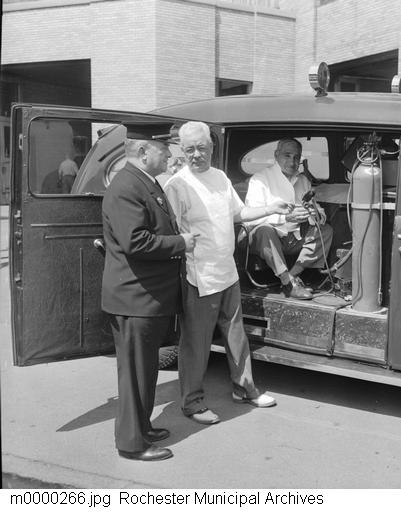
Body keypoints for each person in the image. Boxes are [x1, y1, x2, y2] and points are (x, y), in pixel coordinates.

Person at [164, 121, 289, 425]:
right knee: (196, 343)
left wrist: (271, 208)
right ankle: (192, 403)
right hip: (198, 275)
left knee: (236, 335)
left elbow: (238, 213)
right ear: (181, 150)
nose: (196, 154)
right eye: (189, 149)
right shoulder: (177, 185)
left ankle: (244, 388)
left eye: (201, 148)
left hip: (227, 270)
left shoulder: (220, 177)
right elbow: (172, 232)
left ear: (211, 147)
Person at [101, 122, 198, 461]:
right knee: (134, 375)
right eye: (164, 149)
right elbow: (135, 242)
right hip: (134, 299)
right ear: (143, 152)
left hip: (147, 298)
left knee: (145, 372)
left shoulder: (144, 182)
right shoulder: (127, 187)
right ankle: (132, 444)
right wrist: (180, 243)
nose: (170, 154)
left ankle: (142, 426)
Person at [244, 138, 333, 299]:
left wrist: (315, 214)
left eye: (296, 157)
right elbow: (251, 219)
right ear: (276, 155)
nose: (292, 162)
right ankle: (288, 282)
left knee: (325, 231)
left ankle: (291, 276)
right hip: (268, 240)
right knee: (264, 230)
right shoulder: (260, 179)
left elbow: (317, 209)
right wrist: (285, 218)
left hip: (295, 238)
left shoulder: (303, 180)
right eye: (287, 155)